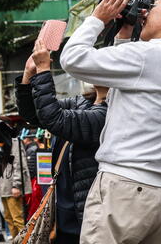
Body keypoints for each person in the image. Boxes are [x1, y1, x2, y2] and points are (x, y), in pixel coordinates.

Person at [58, 0, 161, 244]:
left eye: (153, 8)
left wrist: (98, 18)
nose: (145, 13)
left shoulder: (150, 56)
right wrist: (124, 35)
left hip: (126, 189)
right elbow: (131, 83)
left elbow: (72, 59)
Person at [16, 52, 107, 244]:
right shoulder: (82, 103)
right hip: (62, 212)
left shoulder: (107, 115)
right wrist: (28, 75)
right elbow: (35, 113)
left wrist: (43, 71)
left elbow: (54, 117)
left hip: (86, 214)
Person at [0, 134, 32, 239]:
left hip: (12, 186)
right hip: (3, 186)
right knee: (9, 218)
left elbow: (19, 164)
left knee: (17, 219)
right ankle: (17, 241)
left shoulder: (14, 142)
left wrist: (16, 184)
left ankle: (24, 241)